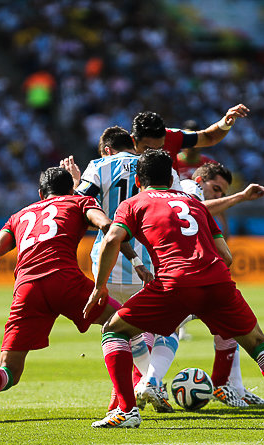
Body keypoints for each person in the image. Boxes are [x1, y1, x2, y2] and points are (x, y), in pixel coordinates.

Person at [84, 149, 264, 429]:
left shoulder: (134, 203)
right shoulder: (195, 204)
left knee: (114, 329)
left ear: (140, 181)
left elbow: (111, 241)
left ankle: (127, 410)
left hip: (174, 283)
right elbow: (226, 256)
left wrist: (100, 286)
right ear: (171, 177)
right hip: (216, 281)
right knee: (257, 342)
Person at [0, 167, 123, 423]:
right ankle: (124, 396)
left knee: (8, 370)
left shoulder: (19, 215)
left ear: (40, 193)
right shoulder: (79, 201)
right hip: (65, 279)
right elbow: (107, 225)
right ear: (70, 189)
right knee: (124, 322)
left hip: (26, 289)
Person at [136, 161, 264, 411]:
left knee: (225, 328)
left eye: (223, 191)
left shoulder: (190, 196)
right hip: (180, 275)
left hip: (186, 273)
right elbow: (199, 209)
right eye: (217, 188)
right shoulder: (188, 188)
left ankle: (232, 387)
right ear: (200, 182)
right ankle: (146, 383)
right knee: (158, 331)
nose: (220, 195)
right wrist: (240, 198)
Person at [63, 126, 183, 413]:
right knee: (168, 325)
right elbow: (178, 207)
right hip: (151, 260)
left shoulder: (98, 167)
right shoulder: (153, 167)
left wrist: (77, 182)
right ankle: (151, 381)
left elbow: (80, 205)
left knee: (117, 330)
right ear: (132, 143)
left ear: (106, 149)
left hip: (108, 262)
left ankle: (124, 395)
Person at [130, 105, 250, 168]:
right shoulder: (117, 153)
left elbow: (209, 137)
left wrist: (225, 122)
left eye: (160, 148)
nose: (154, 154)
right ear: (133, 141)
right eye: (147, 149)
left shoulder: (172, 136)